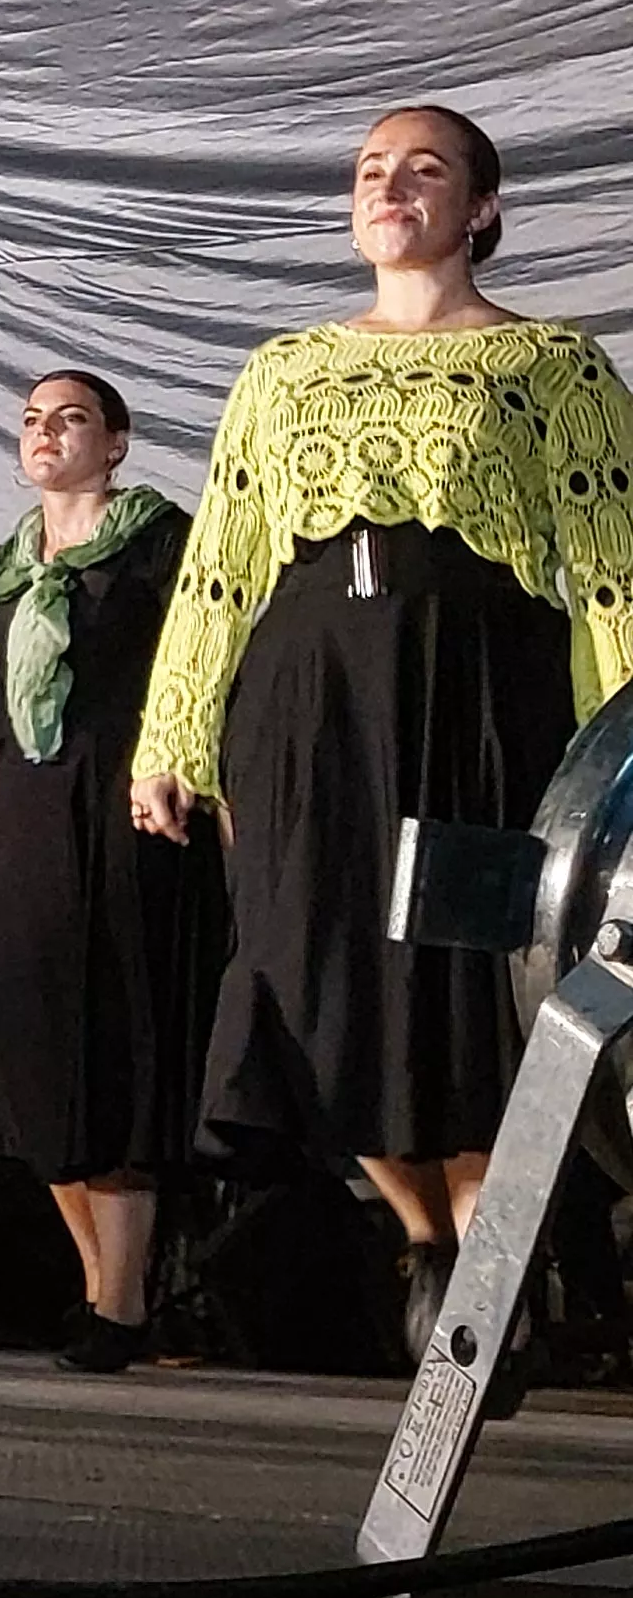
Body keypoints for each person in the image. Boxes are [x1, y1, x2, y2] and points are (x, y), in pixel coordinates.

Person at [130, 106, 633, 1362]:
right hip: (305, 702)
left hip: (478, 700)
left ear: (482, 210)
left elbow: (614, 569)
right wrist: (171, 738)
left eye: (424, 168)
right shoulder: (282, 369)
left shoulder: (550, 369)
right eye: (369, 169)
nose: (389, 185)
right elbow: (222, 566)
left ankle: (488, 1248)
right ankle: (423, 1233)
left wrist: (622, 765)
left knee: (464, 986)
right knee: (308, 970)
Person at [0, 371, 205, 1370]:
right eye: (29, 420)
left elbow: (197, 676)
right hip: (23, 810)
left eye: (68, 418)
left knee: (121, 1042)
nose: (44, 433)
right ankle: (111, 1292)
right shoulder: (5, 571)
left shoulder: (160, 544)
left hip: (124, 800)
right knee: (39, 1055)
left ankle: (118, 1301)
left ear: (115, 442)